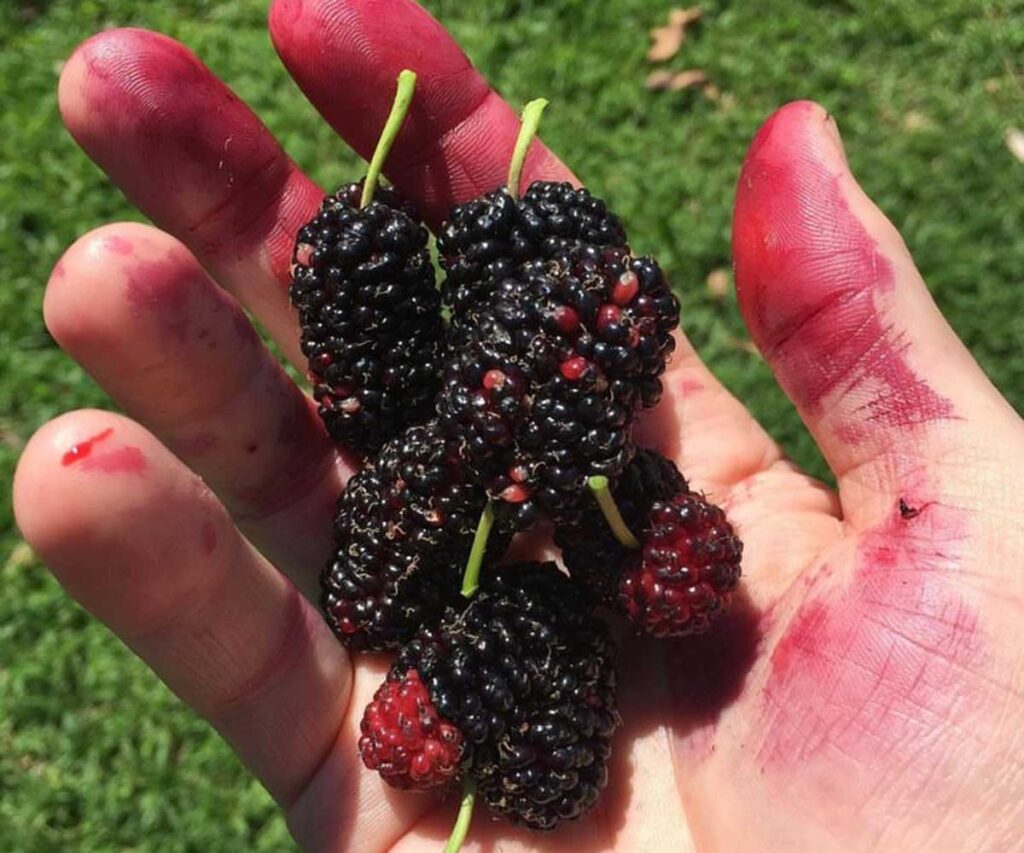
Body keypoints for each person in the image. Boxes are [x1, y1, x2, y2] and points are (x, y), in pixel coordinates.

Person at [13, 1, 1024, 850]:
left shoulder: (558, 457)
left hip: (514, 492)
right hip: (468, 480)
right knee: (436, 392)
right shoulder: (485, 442)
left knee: (504, 440)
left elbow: (537, 464)